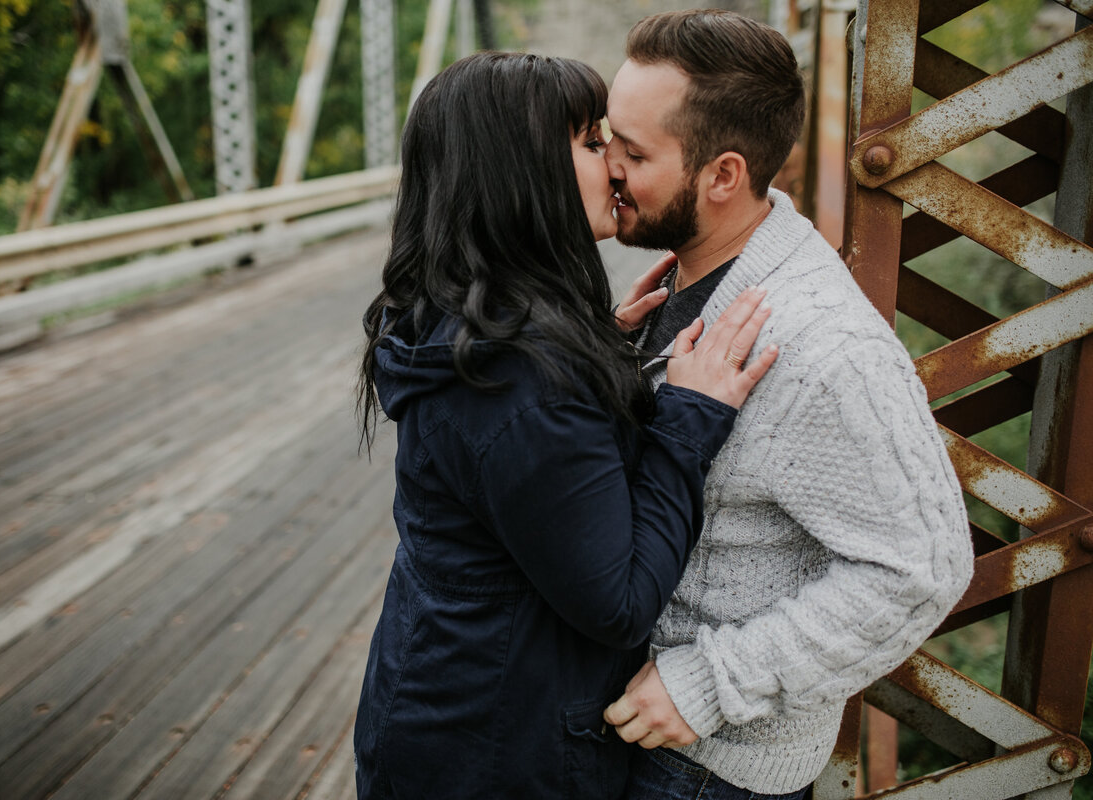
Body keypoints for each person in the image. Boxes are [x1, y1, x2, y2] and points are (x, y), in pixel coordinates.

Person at [354, 51, 780, 800]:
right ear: (520, 174)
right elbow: (618, 602)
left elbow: (518, 456)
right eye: (590, 142)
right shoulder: (523, 382)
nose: (615, 163)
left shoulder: (468, 320)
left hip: (444, 709)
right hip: (494, 754)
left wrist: (597, 349)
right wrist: (691, 418)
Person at [598, 10, 974, 800]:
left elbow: (924, 570)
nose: (607, 169)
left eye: (633, 153)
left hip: (702, 769)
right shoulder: (688, 276)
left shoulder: (824, 348)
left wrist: (708, 684)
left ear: (723, 176)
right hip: (634, 736)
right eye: (607, 140)